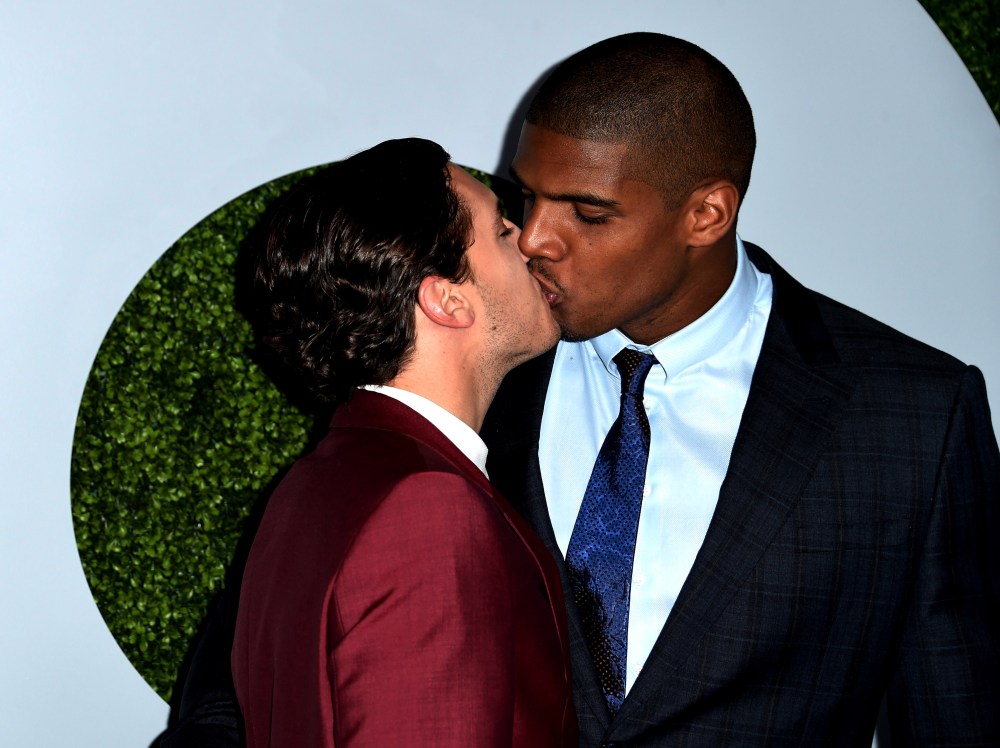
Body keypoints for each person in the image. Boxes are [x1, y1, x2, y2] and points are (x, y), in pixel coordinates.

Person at [161, 34, 1000, 748]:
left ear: (706, 214)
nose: (535, 239)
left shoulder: (911, 417)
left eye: (588, 213)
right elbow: (232, 686)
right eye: (524, 200)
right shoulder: (465, 376)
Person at [227, 137, 576, 747]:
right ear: (446, 298)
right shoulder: (428, 510)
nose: (529, 241)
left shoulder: (315, 484)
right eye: (499, 230)